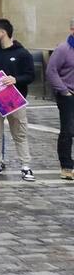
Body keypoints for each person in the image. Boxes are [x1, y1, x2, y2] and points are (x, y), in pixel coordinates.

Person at [0, 18, 36, 181]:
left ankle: (26, 166)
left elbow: (31, 75)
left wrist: (15, 79)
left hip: (15, 101)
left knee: (20, 134)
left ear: (3, 33)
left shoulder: (22, 53)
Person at [47, 17, 74, 180]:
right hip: (68, 95)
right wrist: (64, 91)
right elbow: (51, 71)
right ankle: (66, 166)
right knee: (68, 131)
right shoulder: (63, 49)